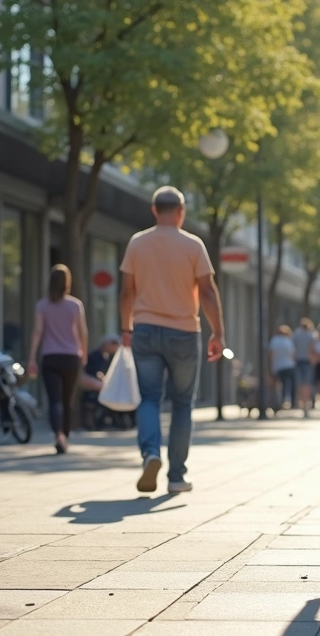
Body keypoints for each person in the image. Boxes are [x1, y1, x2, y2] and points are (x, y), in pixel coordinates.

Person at [119, 186, 225, 494]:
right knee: (182, 403)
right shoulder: (193, 245)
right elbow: (207, 291)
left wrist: (126, 329)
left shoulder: (137, 243)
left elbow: (127, 291)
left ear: (154, 210)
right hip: (183, 333)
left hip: (146, 330)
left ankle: (150, 453)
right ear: (181, 211)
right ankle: (177, 476)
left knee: (150, 397)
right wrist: (218, 332)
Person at [27, 264, 88, 455]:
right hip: (71, 357)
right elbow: (82, 331)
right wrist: (83, 353)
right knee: (67, 400)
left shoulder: (42, 305)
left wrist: (32, 358)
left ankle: (58, 434)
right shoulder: (75, 305)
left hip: (50, 357)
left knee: (54, 400)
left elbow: (37, 332)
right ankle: (65, 437)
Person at [269, 325, 297, 409]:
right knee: (291, 384)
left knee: (279, 385)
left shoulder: (274, 340)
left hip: (278, 366)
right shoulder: (288, 340)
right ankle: (292, 401)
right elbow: (292, 354)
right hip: (289, 365)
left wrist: (272, 366)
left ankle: (281, 401)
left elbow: (272, 354)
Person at [293, 319, 316, 416]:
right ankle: (306, 404)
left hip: (297, 361)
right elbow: (313, 349)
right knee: (307, 384)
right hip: (307, 362)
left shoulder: (296, 335)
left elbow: (293, 348)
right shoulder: (311, 335)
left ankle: (301, 403)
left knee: (300, 384)